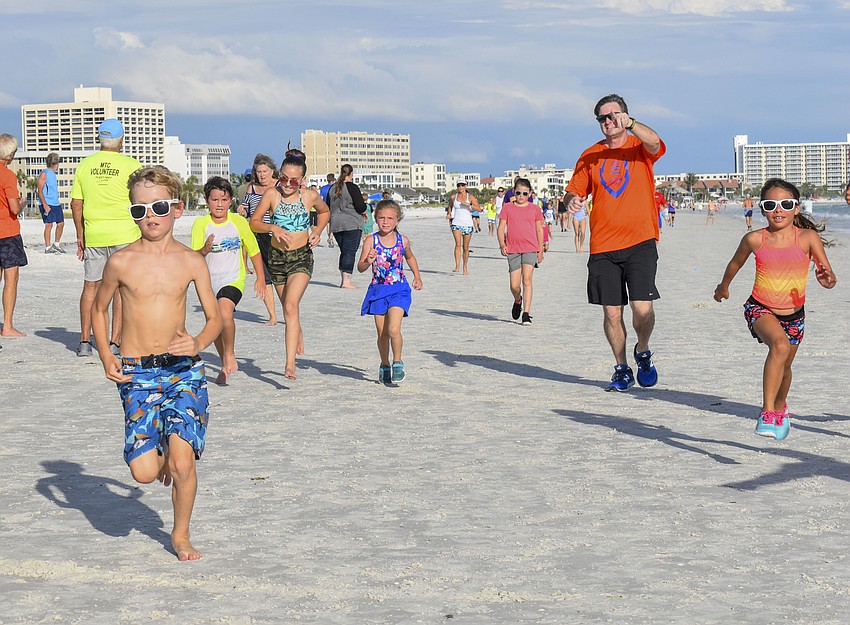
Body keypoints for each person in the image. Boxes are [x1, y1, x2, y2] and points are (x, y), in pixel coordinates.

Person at [92, 165, 222, 561]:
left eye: (159, 207)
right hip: (136, 372)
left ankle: (180, 535)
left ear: (177, 209)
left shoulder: (190, 261)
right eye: (139, 210)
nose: (149, 216)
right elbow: (99, 311)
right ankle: (160, 453)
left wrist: (198, 341)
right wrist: (105, 353)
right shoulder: (120, 262)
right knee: (145, 472)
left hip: (183, 371)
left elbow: (215, 318)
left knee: (183, 463)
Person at [713, 178, 836, 440]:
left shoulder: (807, 238)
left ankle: (780, 407)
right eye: (771, 204)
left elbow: (827, 275)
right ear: (762, 209)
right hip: (760, 308)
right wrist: (723, 287)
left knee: (786, 366)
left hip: (795, 315)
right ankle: (767, 412)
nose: (778, 210)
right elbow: (735, 264)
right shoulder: (755, 239)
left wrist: (828, 279)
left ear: (796, 208)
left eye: (785, 204)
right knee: (779, 346)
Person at [563, 93, 666, 392]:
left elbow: (655, 141)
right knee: (611, 312)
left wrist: (632, 124)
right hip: (604, 245)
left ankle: (642, 351)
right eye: (602, 118)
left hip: (641, 240)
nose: (609, 121)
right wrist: (571, 200)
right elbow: (574, 190)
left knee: (642, 308)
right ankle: (621, 367)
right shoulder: (590, 155)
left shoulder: (639, 147)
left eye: (614, 115)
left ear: (625, 115)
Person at [250, 147, 330, 379]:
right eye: (283, 178)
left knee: (290, 306)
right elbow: (254, 223)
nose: (286, 184)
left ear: (302, 180)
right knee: (288, 307)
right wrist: (273, 227)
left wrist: (317, 231)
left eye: (293, 181)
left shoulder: (309, 197)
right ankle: (298, 331)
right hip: (276, 259)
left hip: (301, 258)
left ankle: (289, 364)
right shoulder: (271, 196)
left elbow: (324, 213)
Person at [70, 118, 142, 357]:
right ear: (121, 140)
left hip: (95, 233)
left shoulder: (85, 165)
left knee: (91, 285)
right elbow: (139, 201)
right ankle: (114, 341)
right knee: (121, 288)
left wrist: (81, 235)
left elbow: (76, 204)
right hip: (125, 233)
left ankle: (84, 341)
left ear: (100, 139)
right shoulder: (132, 165)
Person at [191, 176, 265, 385]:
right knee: (214, 325)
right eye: (215, 200)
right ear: (207, 201)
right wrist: (204, 250)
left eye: (224, 200)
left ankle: (230, 353)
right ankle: (224, 362)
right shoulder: (200, 224)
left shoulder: (239, 222)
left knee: (224, 313)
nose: (219, 204)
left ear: (231, 200)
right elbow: (193, 256)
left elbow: (254, 250)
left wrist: (260, 278)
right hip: (207, 282)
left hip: (233, 279)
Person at [357, 199, 422, 384]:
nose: (385, 222)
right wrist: (368, 260)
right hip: (378, 291)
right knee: (382, 333)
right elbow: (360, 267)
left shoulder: (403, 240)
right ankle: (384, 364)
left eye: (390, 218)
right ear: (375, 219)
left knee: (394, 329)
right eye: (381, 218)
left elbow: (410, 257)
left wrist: (417, 276)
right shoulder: (371, 240)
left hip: (399, 290)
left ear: (397, 221)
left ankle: (397, 362)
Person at [238, 154, 279, 325]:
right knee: (265, 277)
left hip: (276, 236)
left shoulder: (279, 186)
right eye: (259, 171)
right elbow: (246, 208)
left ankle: (289, 311)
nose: (262, 175)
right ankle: (272, 315)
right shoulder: (252, 188)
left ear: (272, 171)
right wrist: (242, 209)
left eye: (265, 171)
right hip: (257, 236)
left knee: (281, 277)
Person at [497, 177, 544, 326]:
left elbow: (539, 229)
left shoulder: (535, 209)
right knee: (514, 285)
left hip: (530, 248)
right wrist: (502, 244)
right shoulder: (508, 208)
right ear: (514, 192)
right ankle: (518, 300)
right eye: (518, 193)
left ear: (530, 193)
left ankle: (526, 313)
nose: (521, 196)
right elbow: (500, 228)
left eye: (524, 193)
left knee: (527, 280)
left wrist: (540, 249)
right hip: (513, 249)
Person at [0, 133, 26, 338]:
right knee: (11, 278)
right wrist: (22, 201)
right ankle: (7, 325)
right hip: (7, 232)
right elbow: (14, 208)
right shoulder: (8, 175)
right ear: (9, 155)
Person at [327, 163, 367, 288]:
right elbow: (360, 206)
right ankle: (346, 281)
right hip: (351, 222)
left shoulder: (332, 188)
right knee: (350, 252)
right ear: (351, 173)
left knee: (344, 251)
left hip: (336, 223)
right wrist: (365, 212)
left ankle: (343, 279)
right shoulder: (352, 187)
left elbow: (327, 206)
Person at [447, 181, 479, 275]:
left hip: (468, 224)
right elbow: (450, 206)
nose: (460, 187)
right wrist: (449, 214)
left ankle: (465, 267)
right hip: (456, 223)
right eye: (458, 185)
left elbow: (479, 209)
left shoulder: (470, 197)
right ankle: (457, 266)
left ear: (465, 186)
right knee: (458, 244)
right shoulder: (454, 197)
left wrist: (468, 204)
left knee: (465, 247)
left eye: (462, 185)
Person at [37, 152, 66, 254]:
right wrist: (44, 204)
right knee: (49, 224)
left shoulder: (53, 174)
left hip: (55, 203)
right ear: (55, 163)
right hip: (47, 203)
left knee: (61, 223)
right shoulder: (44, 173)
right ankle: (48, 247)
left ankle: (56, 244)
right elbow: (39, 190)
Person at [319, 173, 336, 247]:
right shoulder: (334, 188)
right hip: (333, 207)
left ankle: (329, 237)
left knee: (327, 223)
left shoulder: (323, 188)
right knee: (332, 223)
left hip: (325, 207)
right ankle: (330, 237)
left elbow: (321, 199)